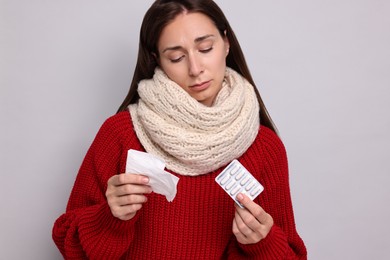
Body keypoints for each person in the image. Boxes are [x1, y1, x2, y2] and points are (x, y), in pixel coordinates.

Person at [52, 0, 307, 259]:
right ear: (156, 59)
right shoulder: (119, 133)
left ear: (226, 43)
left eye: (205, 48)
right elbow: (68, 242)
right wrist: (110, 217)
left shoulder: (265, 147)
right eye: (176, 57)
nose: (195, 69)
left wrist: (262, 242)